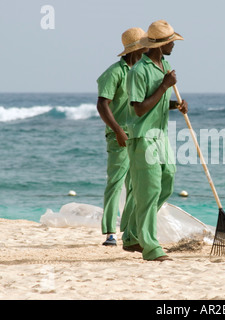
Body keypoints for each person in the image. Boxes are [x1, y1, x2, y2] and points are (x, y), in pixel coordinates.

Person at [122, 20, 188, 261]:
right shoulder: (138, 72)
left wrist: (175, 105)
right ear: (161, 44)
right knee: (149, 192)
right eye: (171, 42)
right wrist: (164, 86)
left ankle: (131, 233)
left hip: (161, 137)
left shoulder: (166, 65)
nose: (174, 46)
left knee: (167, 182)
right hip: (142, 138)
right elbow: (139, 109)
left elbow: (156, 103)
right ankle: (150, 247)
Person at [96, 28, 148, 246]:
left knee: (135, 184)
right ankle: (110, 232)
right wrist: (117, 130)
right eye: (146, 47)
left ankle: (128, 228)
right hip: (119, 135)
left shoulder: (140, 73)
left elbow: (144, 104)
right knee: (116, 183)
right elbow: (102, 104)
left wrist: (175, 105)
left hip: (138, 135)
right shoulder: (114, 73)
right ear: (137, 49)